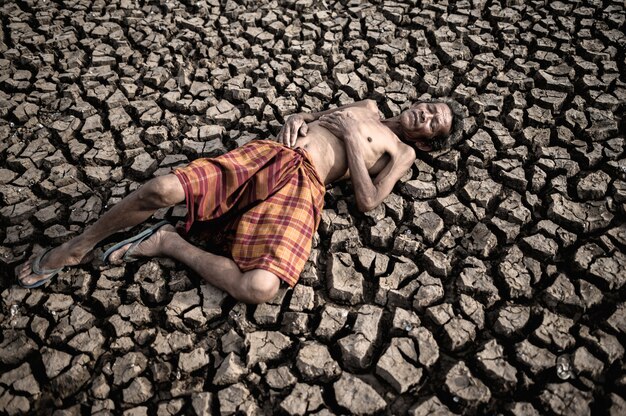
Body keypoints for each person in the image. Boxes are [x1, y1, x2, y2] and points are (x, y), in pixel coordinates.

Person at [15, 98, 463, 304]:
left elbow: (368, 201)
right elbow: (309, 117)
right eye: (431, 107)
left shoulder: (401, 152)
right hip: (275, 154)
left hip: (306, 187)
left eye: (433, 123)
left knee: (261, 288)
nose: (424, 115)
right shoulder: (366, 103)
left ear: (426, 143)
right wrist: (296, 116)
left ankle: (169, 242)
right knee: (160, 190)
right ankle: (78, 244)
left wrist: (348, 137)